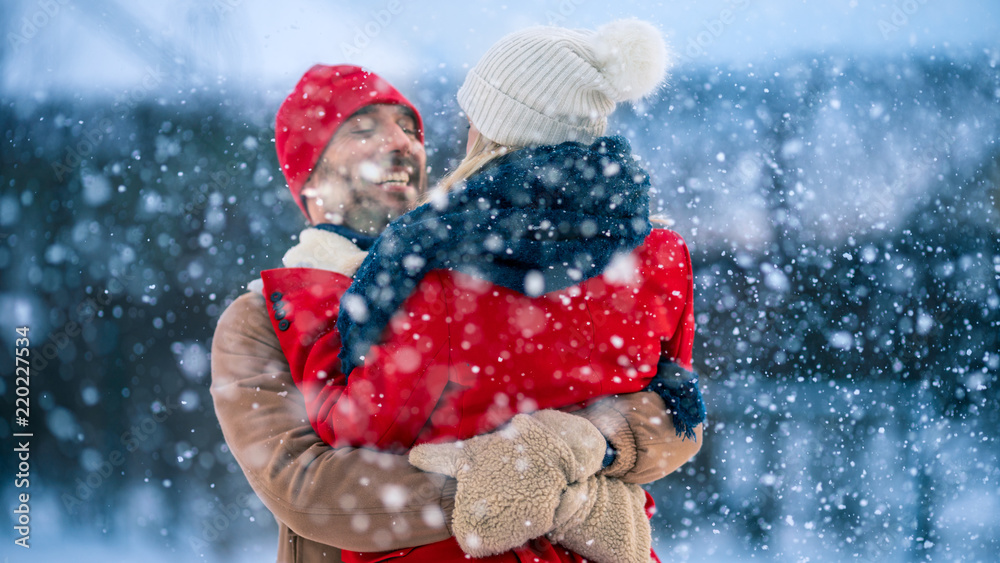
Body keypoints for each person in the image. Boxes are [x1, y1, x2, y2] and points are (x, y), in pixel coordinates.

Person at [211, 63, 703, 563]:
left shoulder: (498, 270)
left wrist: (584, 442)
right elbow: (308, 489)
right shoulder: (257, 319)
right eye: (361, 128)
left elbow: (675, 420)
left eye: (408, 127)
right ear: (308, 175)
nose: (401, 142)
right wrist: (523, 486)